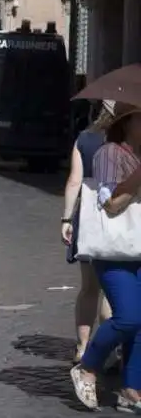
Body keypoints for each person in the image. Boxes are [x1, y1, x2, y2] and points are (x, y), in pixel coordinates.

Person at [70, 102, 141, 411]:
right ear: (126, 123)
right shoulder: (109, 154)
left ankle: (131, 389)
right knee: (128, 317)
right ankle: (87, 366)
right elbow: (111, 204)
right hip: (115, 249)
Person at [61, 101, 115, 364]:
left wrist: (66, 218)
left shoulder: (84, 139)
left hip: (88, 218)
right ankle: (109, 350)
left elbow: (74, 180)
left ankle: (82, 347)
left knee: (88, 288)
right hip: (116, 217)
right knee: (109, 290)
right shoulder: (125, 141)